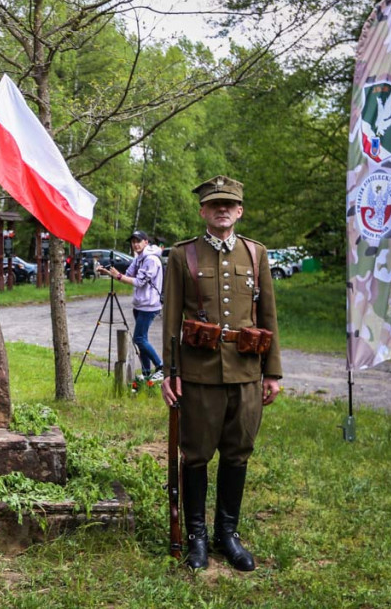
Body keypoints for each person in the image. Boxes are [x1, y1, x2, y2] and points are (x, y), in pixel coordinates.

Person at [161, 175, 282, 572]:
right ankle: (196, 536)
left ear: (240, 210)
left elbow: (268, 317)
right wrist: (170, 371)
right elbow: (171, 319)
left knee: (237, 453)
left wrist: (272, 373)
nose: (222, 209)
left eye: (229, 204)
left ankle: (226, 534)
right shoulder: (183, 256)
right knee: (195, 455)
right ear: (203, 211)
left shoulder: (256, 254)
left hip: (247, 373)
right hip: (198, 374)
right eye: (215, 204)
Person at [99, 230, 163, 387]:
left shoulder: (151, 260)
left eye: (138, 241)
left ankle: (161, 367)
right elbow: (127, 276)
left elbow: (139, 282)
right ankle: (147, 372)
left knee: (139, 339)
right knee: (143, 340)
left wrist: (119, 276)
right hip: (140, 305)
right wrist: (109, 272)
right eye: (133, 241)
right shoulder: (139, 258)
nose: (135, 244)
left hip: (150, 305)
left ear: (146, 242)